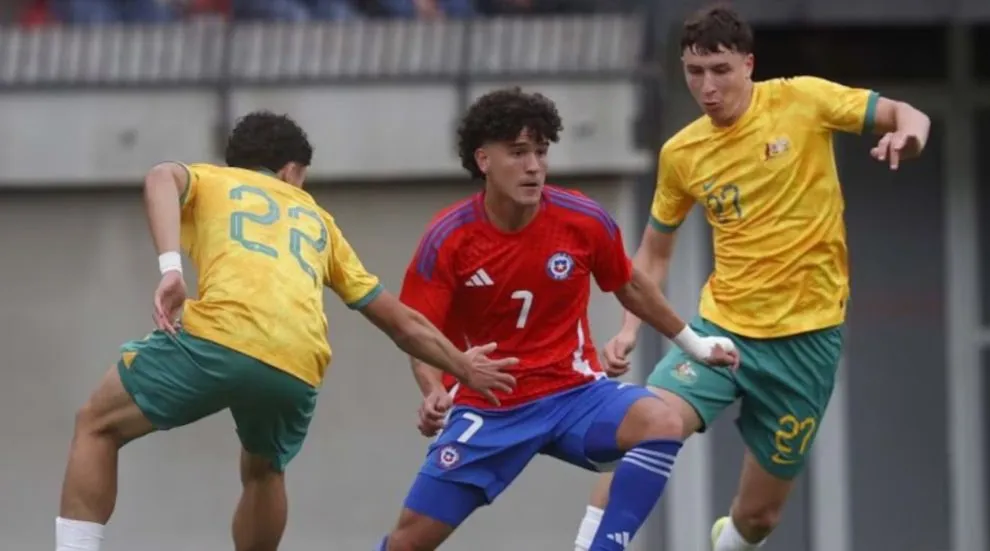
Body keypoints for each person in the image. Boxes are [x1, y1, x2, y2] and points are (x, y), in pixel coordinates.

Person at [54, 111, 517, 551]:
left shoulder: (215, 180)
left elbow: (160, 177)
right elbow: (399, 321)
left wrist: (171, 269)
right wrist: (463, 367)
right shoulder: (319, 220)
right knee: (264, 469)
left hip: (219, 337)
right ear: (292, 170)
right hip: (297, 364)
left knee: (96, 424)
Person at [571, 5, 932, 551]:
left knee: (760, 516)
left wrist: (910, 137)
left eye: (720, 70)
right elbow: (653, 254)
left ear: (748, 65)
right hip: (722, 332)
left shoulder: (802, 100)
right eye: (695, 72)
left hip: (807, 342)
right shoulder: (682, 153)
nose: (707, 87)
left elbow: (908, 113)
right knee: (649, 425)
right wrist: (629, 328)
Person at [374, 87, 739, 551]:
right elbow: (417, 331)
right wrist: (433, 392)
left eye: (541, 152)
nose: (533, 166)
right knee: (408, 543)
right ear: (484, 160)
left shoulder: (582, 219)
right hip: (490, 406)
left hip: (574, 394)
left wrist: (696, 344)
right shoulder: (448, 238)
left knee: (662, 421)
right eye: (518, 153)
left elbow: (630, 285)